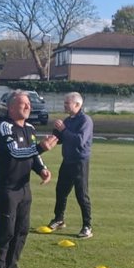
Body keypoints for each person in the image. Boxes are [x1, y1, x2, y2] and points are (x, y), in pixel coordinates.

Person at [0, 91, 55, 268]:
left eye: (29, 104)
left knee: (22, 229)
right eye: (23, 104)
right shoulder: (5, 126)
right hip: (6, 186)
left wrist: (42, 169)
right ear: (11, 108)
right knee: (6, 230)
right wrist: (41, 148)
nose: (28, 107)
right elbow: (14, 152)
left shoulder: (30, 128)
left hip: (23, 186)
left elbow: (32, 154)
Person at [47, 92, 94, 239]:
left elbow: (79, 140)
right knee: (61, 191)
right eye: (65, 102)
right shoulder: (68, 120)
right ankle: (59, 219)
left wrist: (64, 130)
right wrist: (55, 134)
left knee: (81, 195)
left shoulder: (85, 120)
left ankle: (87, 226)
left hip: (80, 162)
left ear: (77, 105)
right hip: (67, 160)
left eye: (67, 103)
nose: (65, 105)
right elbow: (62, 138)